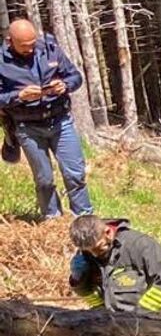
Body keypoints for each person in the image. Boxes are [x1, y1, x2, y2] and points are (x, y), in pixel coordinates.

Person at [0, 18, 92, 219]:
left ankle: (84, 219)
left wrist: (64, 85)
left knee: (75, 174)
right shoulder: (1, 62)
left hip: (60, 121)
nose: (30, 49)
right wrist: (19, 96)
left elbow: (75, 77)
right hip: (27, 127)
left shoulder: (50, 49)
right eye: (24, 47)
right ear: (10, 42)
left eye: (33, 44)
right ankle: (52, 220)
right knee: (44, 180)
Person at [69, 214, 161, 315]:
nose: (94, 255)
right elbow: (90, 292)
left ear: (107, 232)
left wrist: (141, 316)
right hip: (110, 324)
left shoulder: (139, 245)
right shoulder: (86, 252)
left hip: (145, 324)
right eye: (89, 251)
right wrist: (79, 281)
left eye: (98, 248)